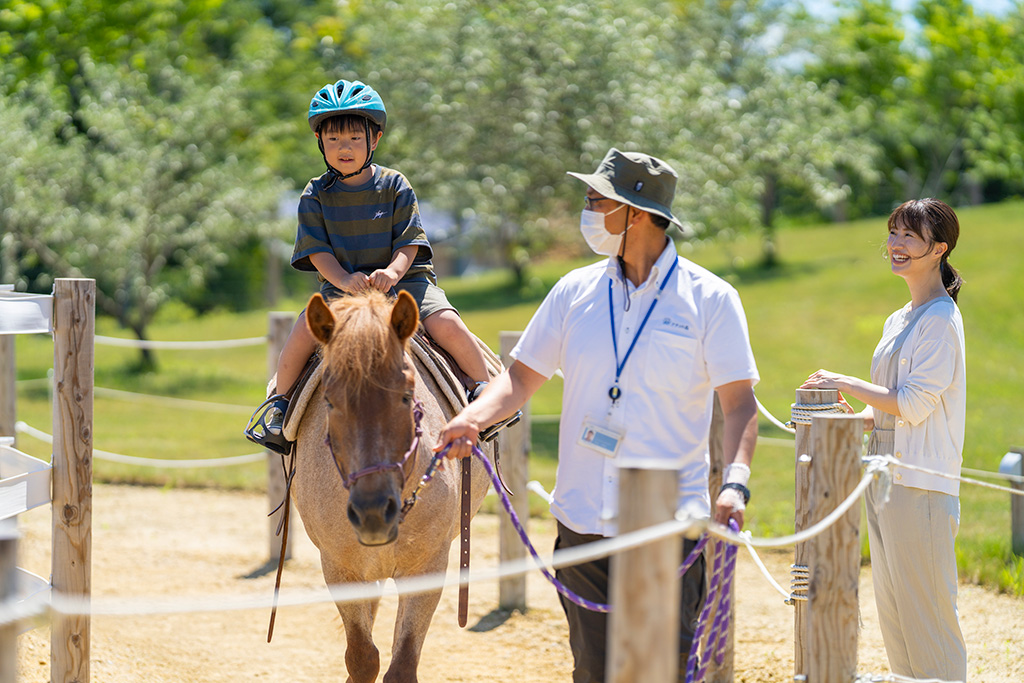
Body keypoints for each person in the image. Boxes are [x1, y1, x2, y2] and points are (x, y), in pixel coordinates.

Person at [434, 148, 760, 682]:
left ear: (633, 212)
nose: (585, 212)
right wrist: (473, 417)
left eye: (594, 201)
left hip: (664, 521)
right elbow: (519, 379)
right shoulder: (573, 292)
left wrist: (736, 484)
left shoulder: (711, 299)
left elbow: (740, 404)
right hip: (581, 520)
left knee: (655, 672)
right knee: (592, 672)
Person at [245, 79, 513, 454]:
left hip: (407, 284)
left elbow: (409, 242)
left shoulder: (395, 185)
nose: (345, 148)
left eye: (355, 139)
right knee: (302, 333)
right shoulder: (314, 194)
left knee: (447, 323)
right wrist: (343, 278)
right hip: (342, 290)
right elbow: (317, 250)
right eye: (334, 140)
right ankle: (280, 405)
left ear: (375, 139)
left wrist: (392, 272)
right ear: (320, 142)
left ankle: (483, 394)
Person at [801, 198, 967, 681]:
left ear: (939, 249)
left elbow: (913, 404)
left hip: (921, 490)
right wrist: (857, 418)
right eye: (893, 233)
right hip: (885, 484)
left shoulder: (940, 321)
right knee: (897, 622)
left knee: (930, 624)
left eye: (909, 237)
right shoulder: (900, 318)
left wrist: (844, 381)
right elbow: (891, 405)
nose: (896, 245)